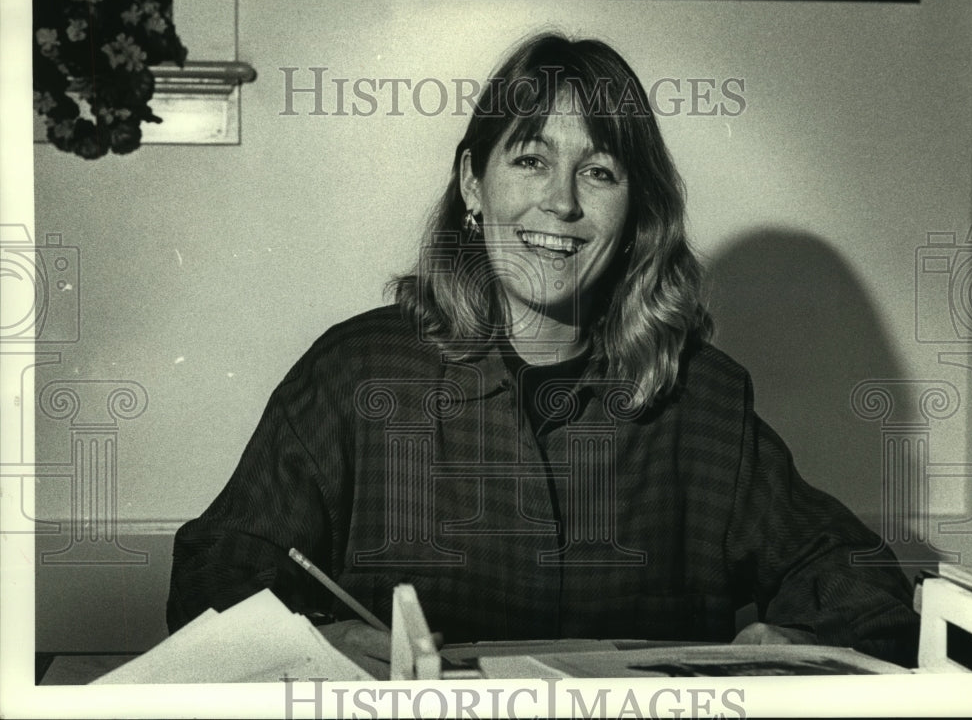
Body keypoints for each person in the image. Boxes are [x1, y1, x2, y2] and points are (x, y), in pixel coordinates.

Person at [167, 33, 919, 670]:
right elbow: (211, 581)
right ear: (472, 182)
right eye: (530, 160)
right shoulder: (353, 371)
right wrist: (321, 641)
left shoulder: (704, 398)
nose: (560, 202)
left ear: (637, 215)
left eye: (598, 171)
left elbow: (861, 581)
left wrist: (798, 642)